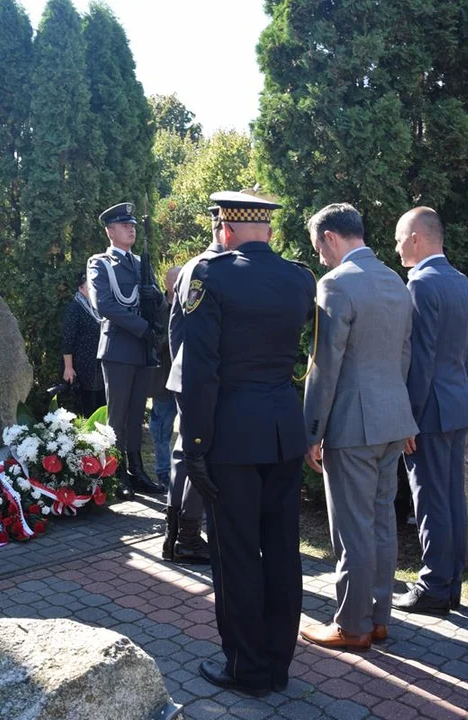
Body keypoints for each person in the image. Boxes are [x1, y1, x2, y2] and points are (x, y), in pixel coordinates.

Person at [169, 191, 315, 696]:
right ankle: (277, 663)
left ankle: (246, 669)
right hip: (282, 430)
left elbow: (198, 371)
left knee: (235, 555)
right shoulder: (299, 277)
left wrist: (195, 444)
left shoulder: (209, 276)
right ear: (267, 229)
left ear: (224, 227)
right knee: (281, 550)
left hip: (229, 435)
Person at [300, 202, 417, 651]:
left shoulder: (336, 284)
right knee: (382, 523)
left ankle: (352, 626)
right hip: (393, 421)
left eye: (319, 248)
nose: (321, 258)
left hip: (352, 425)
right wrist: (403, 415)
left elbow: (324, 367)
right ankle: (379, 618)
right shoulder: (395, 280)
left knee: (352, 530)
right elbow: (404, 356)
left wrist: (312, 431)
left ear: (330, 237)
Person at [390, 207, 468, 616]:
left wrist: (408, 416)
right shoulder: (461, 281)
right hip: (456, 402)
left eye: (398, 238)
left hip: (429, 410)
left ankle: (435, 587)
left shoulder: (421, 284)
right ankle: (450, 581)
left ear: (416, 239)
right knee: (450, 498)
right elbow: (467, 353)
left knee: (430, 500)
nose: (395, 246)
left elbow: (419, 360)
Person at [87, 202, 166, 497]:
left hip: (142, 351)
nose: (131, 229)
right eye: (124, 225)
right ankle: (115, 472)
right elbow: (104, 304)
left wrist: (156, 298)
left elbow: (154, 303)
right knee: (117, 416)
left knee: (135, 416)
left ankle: (136, 471)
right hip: (119, 348)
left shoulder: (140, 263)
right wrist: (143, 329)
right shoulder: (100, 263)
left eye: (132, 225)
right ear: (110, 231)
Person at [162, 216, 225, 567]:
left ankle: (175, 536)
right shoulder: (209, 269)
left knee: (183, 455)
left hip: (185, 377)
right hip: (200, 381)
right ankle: (186, 536)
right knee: (200, 456)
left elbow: (177, 333)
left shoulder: (193, 266)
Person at [147, 266, 182, 488]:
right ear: (168, 283)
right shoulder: (157, 307)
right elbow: (155, 342)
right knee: (161, 428)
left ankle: (184, 472)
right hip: (162, 380)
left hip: (186, 379)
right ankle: (162, 470)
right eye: (176, 280)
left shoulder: (193, 305)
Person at [60, 272, 106, 418]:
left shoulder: (101, 307)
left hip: (102, 362)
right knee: (90, 405)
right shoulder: (75, 308)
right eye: (89, 286)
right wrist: (68, 367)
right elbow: (68, 339)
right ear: (81, 288)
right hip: (85, 364)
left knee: (104, 402)